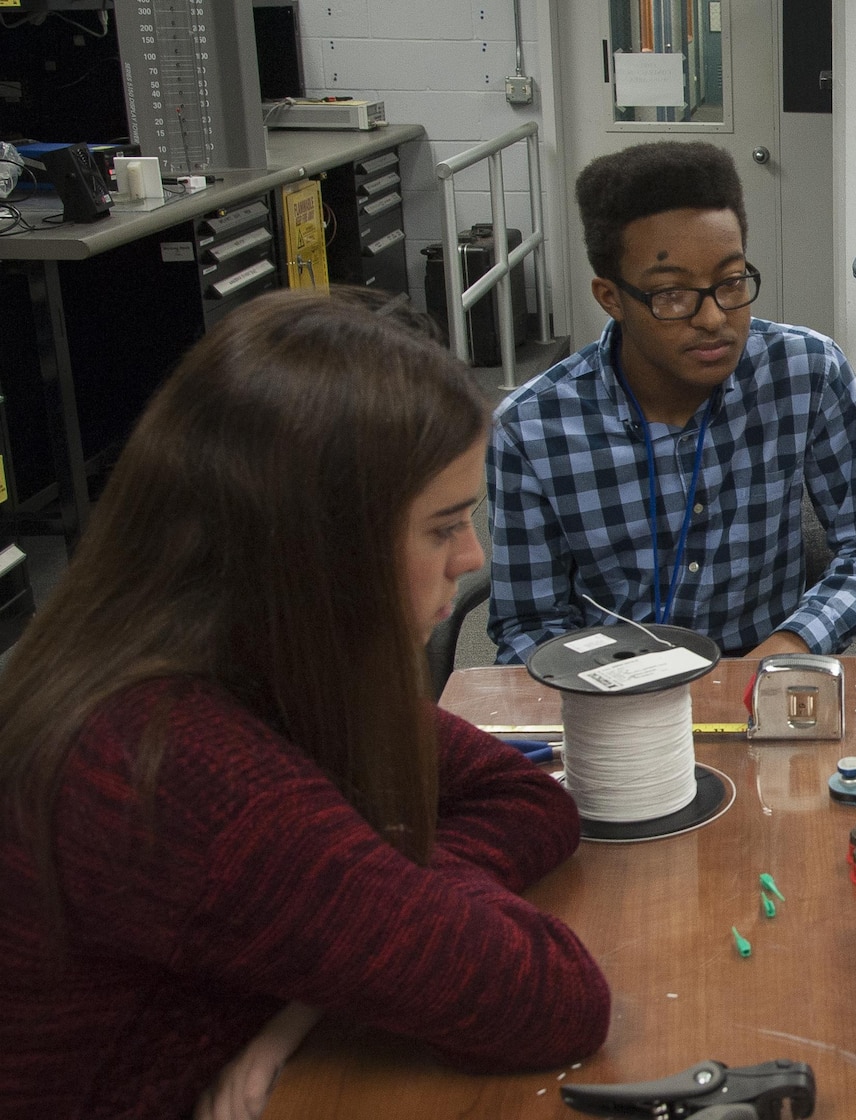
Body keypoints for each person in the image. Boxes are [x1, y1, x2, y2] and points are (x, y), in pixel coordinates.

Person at [0, 290, 610, 1120]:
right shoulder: (179, 768)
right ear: (319, 543)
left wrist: (340, 959)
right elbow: (551, 998)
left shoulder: (242, 653)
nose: (471, 558)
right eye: (441, 527)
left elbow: (525, 796)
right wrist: (376, 928)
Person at [488, 140, 856, 664]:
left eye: (731, 282)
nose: (713, 318)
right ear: (611, 298)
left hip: (763, 676)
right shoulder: (533, 428)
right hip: (610, 693)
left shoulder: (804, 371)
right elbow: (529, 624)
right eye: (672, 294)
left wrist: (793, 642)